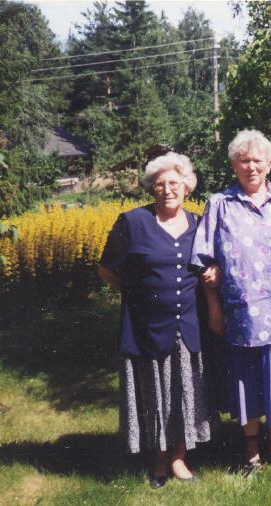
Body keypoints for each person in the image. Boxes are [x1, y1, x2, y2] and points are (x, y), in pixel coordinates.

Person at [191, 129, 271, 475]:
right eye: (243, 161)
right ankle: (251, 449)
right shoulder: (220, 204)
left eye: (257, 161)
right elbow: (203, 262)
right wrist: (213, 305)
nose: (251, 167)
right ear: (234, 165)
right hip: (246, 312)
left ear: (269, 164)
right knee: (248, 380)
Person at [98, 152, 212, 488]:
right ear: (152, 188)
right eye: (160, 184)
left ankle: (179, 457)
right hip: (145, 327)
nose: (167, 190)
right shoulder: (132, 223)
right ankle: (159, 459)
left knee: (183, 391)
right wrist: (135, 295)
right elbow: (106, 268)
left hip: (187, 325)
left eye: (174, 183)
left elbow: (210, 265)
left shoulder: (199, 224)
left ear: (187, 187)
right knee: (154, 393)